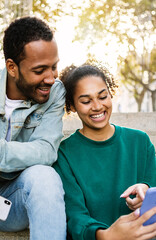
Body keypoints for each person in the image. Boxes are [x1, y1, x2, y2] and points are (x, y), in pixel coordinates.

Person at [54, 61, 156, 240]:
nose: (97, 106)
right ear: (71, 105)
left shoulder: (140, 142)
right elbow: (75, 217)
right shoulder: (64, 154)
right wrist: (107, 235)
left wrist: (146, 190)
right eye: (86, 101)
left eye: (102, 96)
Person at [0, 16, 66, 239]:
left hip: (12, 200)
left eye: (54, 67)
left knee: (44, 176)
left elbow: (47, 150)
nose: (51, 78)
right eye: (40, 70)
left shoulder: (55, 93)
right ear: (12, 67)